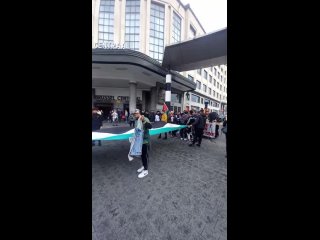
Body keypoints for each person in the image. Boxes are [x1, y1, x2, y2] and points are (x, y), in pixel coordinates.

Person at [133, 109, 152, 178]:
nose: (135, 114)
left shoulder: (145, 118)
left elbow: (150, 126)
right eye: (135, 113)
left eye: (137, 113)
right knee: (141, 155)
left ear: (140, 113)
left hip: (145, 141)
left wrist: (143, 120)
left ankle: (146, 170)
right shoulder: (136, 120)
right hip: (139, 141)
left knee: (144, 155)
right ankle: (143, 166)